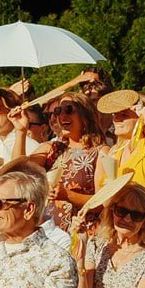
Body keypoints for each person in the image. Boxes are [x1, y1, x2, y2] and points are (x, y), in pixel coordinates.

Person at [43, 93, 105, 222]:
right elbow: (19, 172)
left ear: (85, 115)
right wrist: (21, 131)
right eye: (58, 111)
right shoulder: (53, 149)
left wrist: (67, 195)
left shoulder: (101, 152)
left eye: (69, 109)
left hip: (80, 228)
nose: (62, 116)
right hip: (50, 228)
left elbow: (103, 202)